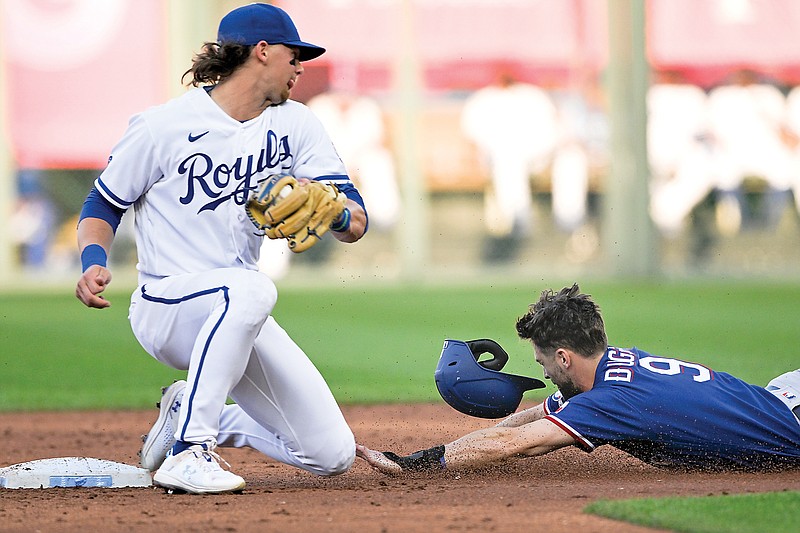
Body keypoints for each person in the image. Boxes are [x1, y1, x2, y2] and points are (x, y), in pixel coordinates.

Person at [74, 3, 368, 494]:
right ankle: (190, 452)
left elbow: (356, 220)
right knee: (252, 288)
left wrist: (335, 212)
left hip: (238, 311)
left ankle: (189, 411)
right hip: (167, 305)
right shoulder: (161, 126)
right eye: (294, 55)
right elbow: (101, 207)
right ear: (261, 51)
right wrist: (92, 262)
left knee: (330, 454)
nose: (300, 66)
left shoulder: (297, 124)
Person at [357, 284, 800, 474]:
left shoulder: (610, 401)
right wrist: (432, 452)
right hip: (783, 395)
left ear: (565, 358)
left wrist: (419, 464)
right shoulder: (610, 371)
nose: (543, 371)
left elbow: (521, 443)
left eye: (543, 360)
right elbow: (528, 422)